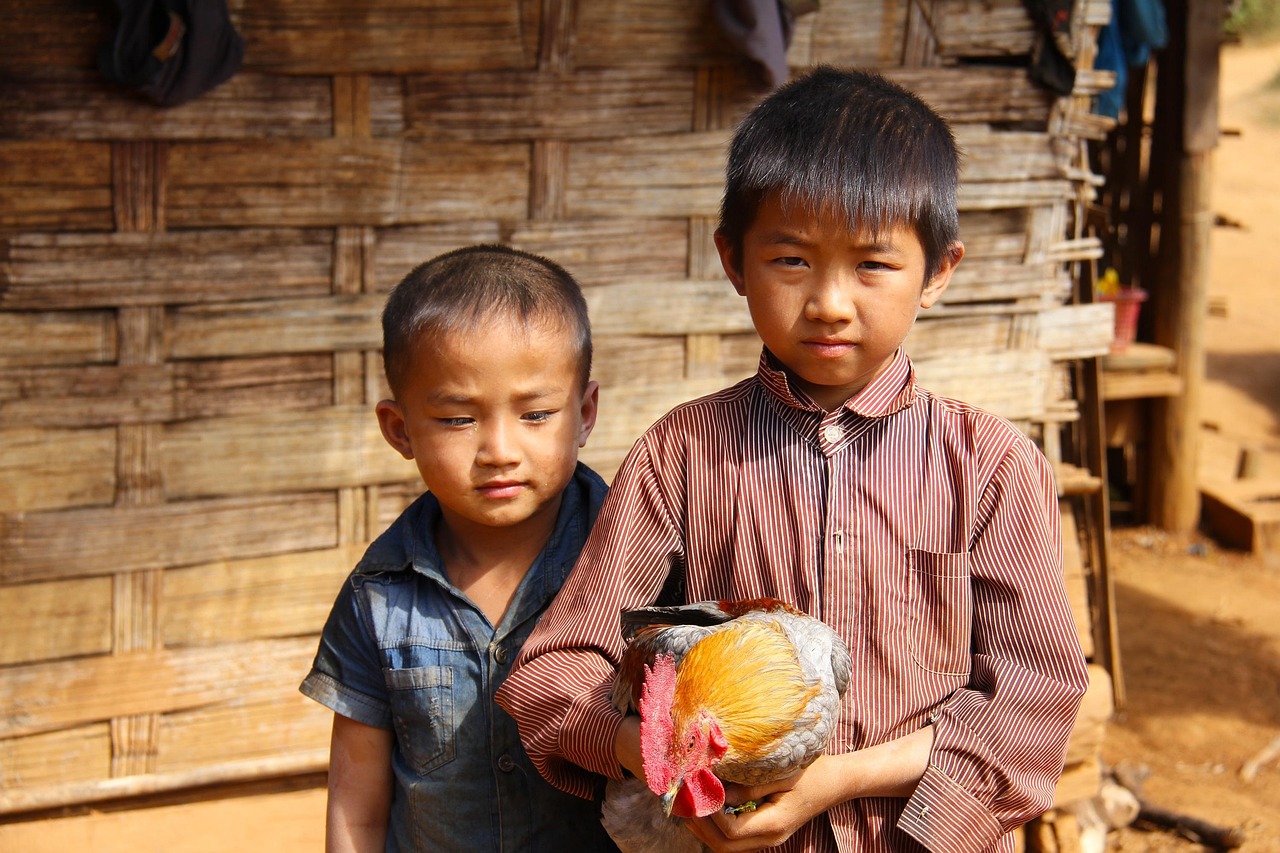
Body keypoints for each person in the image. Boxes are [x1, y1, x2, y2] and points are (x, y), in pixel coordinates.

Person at [495, 66, 1090, 853]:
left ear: (939, 271)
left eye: (872, 264)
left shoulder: (992, 466)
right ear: (734, 260)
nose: (831, 302)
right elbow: (553, 671)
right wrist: (662, 756)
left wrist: (837, 778)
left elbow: (1031, 696)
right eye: (792, 261)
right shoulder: (683, 454)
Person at [299, 244, 618, 852]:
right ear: (400, 430)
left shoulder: (635, 562)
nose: (499, 449)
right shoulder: (378, 597)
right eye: (457, 420)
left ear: (583, 413)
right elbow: (357, 805)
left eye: (536, 414)